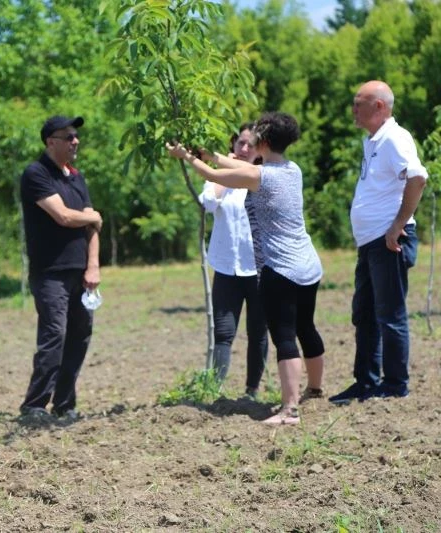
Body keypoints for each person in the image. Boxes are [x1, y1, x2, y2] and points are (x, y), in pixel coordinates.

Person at [167, 112, 325, 425]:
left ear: (263, 143)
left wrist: (186, 157)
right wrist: (209, 154)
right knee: (305, 327)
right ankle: (316, 390)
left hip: (280, 268)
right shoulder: (292, 170)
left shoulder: (261, 177)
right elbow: (237, 166)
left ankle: (289, 410)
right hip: (308, 264)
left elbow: (213, 177)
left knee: (284, 337)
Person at [329, 80, 428, 404]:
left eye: (359, 103)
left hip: (389, 241)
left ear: (379, 107)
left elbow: (418, 177)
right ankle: (366, 382)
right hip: (370, 241)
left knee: (390, 314)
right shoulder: (372, 141)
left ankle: (396, 384)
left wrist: (397, 224)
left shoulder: (395, 139)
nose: (354, 109)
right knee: (365, 313)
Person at [19, 115, 102, 422]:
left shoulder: (76, 178)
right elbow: (64, 217)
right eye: (68, 137)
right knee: (55, 334)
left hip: (82, 273)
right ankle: (35, 405)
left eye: (76, 136)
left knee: (80, 335)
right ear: (50, 141)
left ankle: (65, 404)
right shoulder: (36, 173)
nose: (75, 141)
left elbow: (93, 228)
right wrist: (91, 216)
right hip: (50, 272)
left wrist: (93, 266)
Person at [199, 124, 268, 397]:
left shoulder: (264, 177)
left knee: (258, 332)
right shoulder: (219, 177)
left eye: (251, 145)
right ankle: (214, 390)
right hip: (227, 266)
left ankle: (252, 390)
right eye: (241, 143)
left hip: (259, 268)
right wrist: (222, 174)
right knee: (224, 333)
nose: (245, 149)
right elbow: (208, 202)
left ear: (259, 151)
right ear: (233, 145)